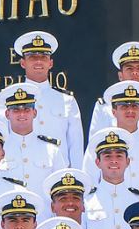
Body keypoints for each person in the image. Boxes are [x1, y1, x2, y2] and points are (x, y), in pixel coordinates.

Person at [11, 30, 86, 163]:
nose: (38, 61)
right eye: (33, 57)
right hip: (20, 174)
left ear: (50, 63)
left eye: (43, 57)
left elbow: (75, 146)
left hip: (59, 176)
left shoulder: (67, 100)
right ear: (23, 63)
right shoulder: (8, 98)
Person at [0, 82, 67, 195]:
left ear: (34, 113)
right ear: (7, 114)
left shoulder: (52, 150)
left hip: (44, 212)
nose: (22, 114)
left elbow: (62, 189)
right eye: (16, 110)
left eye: (27, 109)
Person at [84, 129, 139, 229]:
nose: (114, 160)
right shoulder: (86, 200)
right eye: (108, 156)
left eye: (119, 156)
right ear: (97, 162)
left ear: (128, 161)